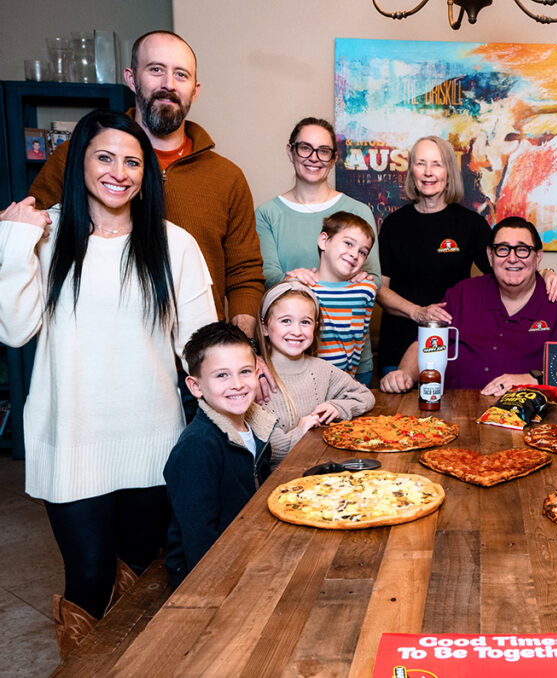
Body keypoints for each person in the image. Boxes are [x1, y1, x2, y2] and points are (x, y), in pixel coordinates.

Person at [0, 109, 217, 655]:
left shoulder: (174, 245)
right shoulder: (45, 237)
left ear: (146, 174)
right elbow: (14, 328)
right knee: (90, 576)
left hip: (151, 440)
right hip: (72, 440)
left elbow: (199, 349)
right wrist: (11, 240)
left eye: (132, 161)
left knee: (144, 578)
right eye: (104, 157)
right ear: (79, 164)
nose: (119, 171)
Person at [28, 31, 265, 341]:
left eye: (181, 74)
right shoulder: (76, 158)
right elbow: (32, 241)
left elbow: (244, 274)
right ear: (131, 77)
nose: (168, 83)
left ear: (195, 91)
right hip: (98, 349)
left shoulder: (227, 177)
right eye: (156, 69)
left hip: (199, 360)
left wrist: (233, 352)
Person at [376, 135, 557, 373]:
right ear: (411, 171)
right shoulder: (394, 224)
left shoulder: (471, 224)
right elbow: (379, 289)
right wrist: (418, 312)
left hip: (454, 345)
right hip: (398, 344)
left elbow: (508, 267)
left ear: (448, 173)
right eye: (420, 163)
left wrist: (546, 273)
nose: (428, 172)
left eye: (437, 164)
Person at [381, 217, 557, 395]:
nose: (512, 258)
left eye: (522, 250)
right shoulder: (462, 293)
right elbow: (425, 343)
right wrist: (404, 374)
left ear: (537, 257)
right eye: (503, 250)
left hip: (532, 423)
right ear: (490, 256)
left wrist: (533, 379)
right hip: (455, 415)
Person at [254, 118, 381, 381]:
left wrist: (358, 278)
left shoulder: (358, 211)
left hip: (352, 362)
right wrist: (294, 281)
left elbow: (373, 279)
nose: (314, 158)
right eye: (305, 148)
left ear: (333, 158)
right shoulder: (268, 214)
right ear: (290, 151)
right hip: (291, 359)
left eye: (324, 151)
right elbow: (268, 278)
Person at [164, 323, 274, 588]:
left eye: (245, 372)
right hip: (208, 573)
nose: (237, 384)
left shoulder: (257, 427)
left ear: (257, 374)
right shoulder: (197, 448)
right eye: (221, 376)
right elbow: (198, 536)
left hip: (250, 550)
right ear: (196, 386)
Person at [257, 281, 375, 468]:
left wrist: (338, 407)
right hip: (278, 482)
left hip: (322, 469)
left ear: (315, 326)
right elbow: (267, 451)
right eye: (286, 321)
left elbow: (365, 396)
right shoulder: (257, 379)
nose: (296, 331)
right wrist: (300, 432)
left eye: (305, 322)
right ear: (264, 327)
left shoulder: (322, 369)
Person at [294, 211, 378, 384]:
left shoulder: (365, 290)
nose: (355, 254)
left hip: (346, 384)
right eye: (348, 243)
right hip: (304, 383)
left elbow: (358, 340)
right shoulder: (298, 287)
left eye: (363, 252)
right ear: (324, 241)